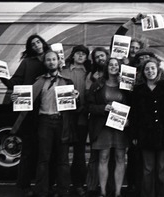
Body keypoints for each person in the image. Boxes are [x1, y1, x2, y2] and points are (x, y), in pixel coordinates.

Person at [11, 50, 79, 197]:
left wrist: (76, 97)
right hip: (44, 122)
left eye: (54, 59)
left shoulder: (67, 82)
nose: (51, 62)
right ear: (45, 63)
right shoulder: (39, 81)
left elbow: (74, 107)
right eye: (48, 60)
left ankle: (63, 190)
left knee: (63, 159)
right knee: (43, 159)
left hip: (61, 123)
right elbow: (26, 100)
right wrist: (16, 97)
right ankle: (42, 190)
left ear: (58, 61)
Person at [2, 34, 50, 197]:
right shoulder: (27, 63)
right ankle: (24, 185)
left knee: (45, 151)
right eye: (33, 44)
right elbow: (14, 82)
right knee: (28, 150)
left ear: (43, 43)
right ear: (30, 48)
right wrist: (2, 76)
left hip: (49, 110)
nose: (36, 45)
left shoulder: (52, 59)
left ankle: (44, 185)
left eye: (38, 42)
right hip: (30, 111)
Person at [129, 57, 164, 197]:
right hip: (144, 135)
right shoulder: (138, 91)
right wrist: (134, 136)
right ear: (143, 72)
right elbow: (134, 115)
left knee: (162, 168)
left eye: (152, 68)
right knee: (147, 169)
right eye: (147, 69)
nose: (150, 71)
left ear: (158, 70)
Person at [87, 57, 129, 197]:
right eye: (110, 64)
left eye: (116, 65)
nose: (113, 67)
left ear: (120, 67)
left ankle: (117, 192)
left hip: (120, 127)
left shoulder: (125, 85)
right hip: (102, 127)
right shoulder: (98, 84)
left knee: (120, 158)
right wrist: (102, 108)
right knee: (103, 157)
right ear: (106, 67)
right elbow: (89, 106)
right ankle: (103, 192)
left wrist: (129, 120)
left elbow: (133, 105)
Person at [85, 46, 116, 197]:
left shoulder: (119, 80)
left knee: (112, 158)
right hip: (98, 124)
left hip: (116, 125)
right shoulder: (93, 78)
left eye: (102, 56)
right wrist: (103, 108)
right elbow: (88, 103)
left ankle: (110, 188)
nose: (100, 59)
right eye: (96, 57)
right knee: (95, 157)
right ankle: (91, 187)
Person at [61, 45, 91, 196]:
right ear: (72, 55)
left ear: (86, 58)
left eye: (83, 54)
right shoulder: (63, 70)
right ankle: (62, 184)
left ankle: (79, 184)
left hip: (82, 117)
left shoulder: (89, 73)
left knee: (79, 154)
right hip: (64, 117)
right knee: (62, 153)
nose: (80, 56)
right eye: (78, 53)